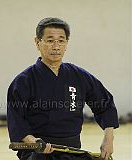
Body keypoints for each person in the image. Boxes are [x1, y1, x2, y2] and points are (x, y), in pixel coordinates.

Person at [7, 17, 119, 160]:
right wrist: (34, 142)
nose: (56, 46)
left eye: (61, 40)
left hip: (72, 151)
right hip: (38, 152)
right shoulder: (24, 81)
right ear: (37, 42)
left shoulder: (78, 76)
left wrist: (108, 139)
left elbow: (105, 103)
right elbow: (17, 122)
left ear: (66, 44)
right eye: (50, 40)